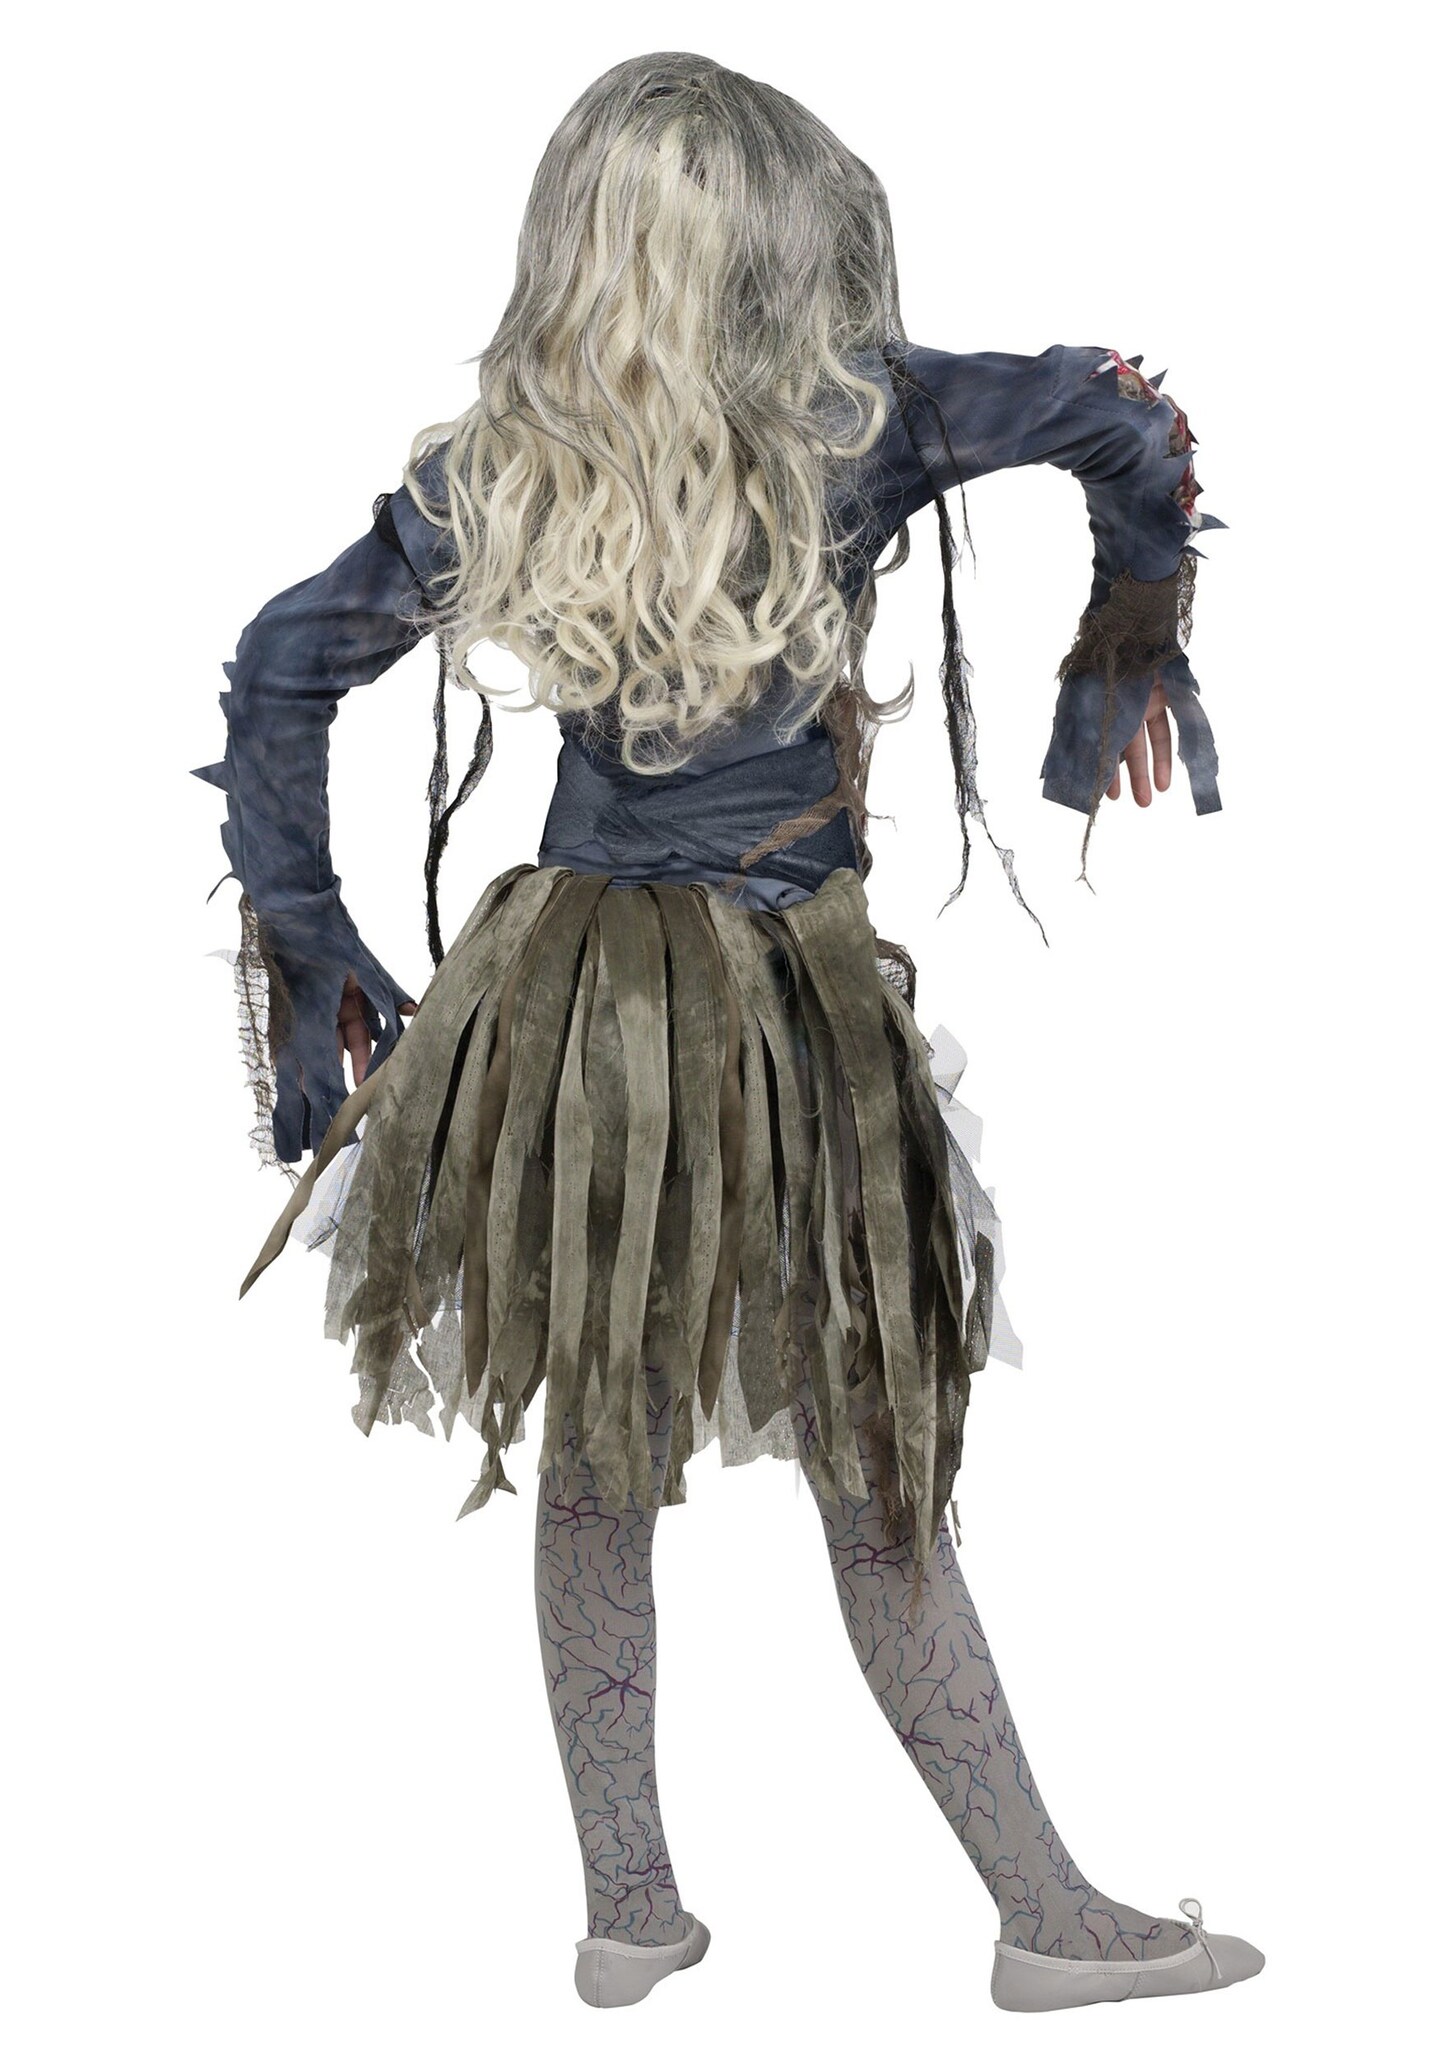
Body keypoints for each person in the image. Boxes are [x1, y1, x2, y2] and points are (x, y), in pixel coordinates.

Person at [192, 51, 1264, 2012]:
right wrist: (1128, 636)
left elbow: (281, 664)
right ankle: (1043, 1916)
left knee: (599, 1466)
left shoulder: (502, 473)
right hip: (771, 1019)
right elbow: (1125, 417)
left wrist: (314, 941)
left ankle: (633, 1915)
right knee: (877, 1468)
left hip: (578, 1007)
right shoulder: (859, 425)